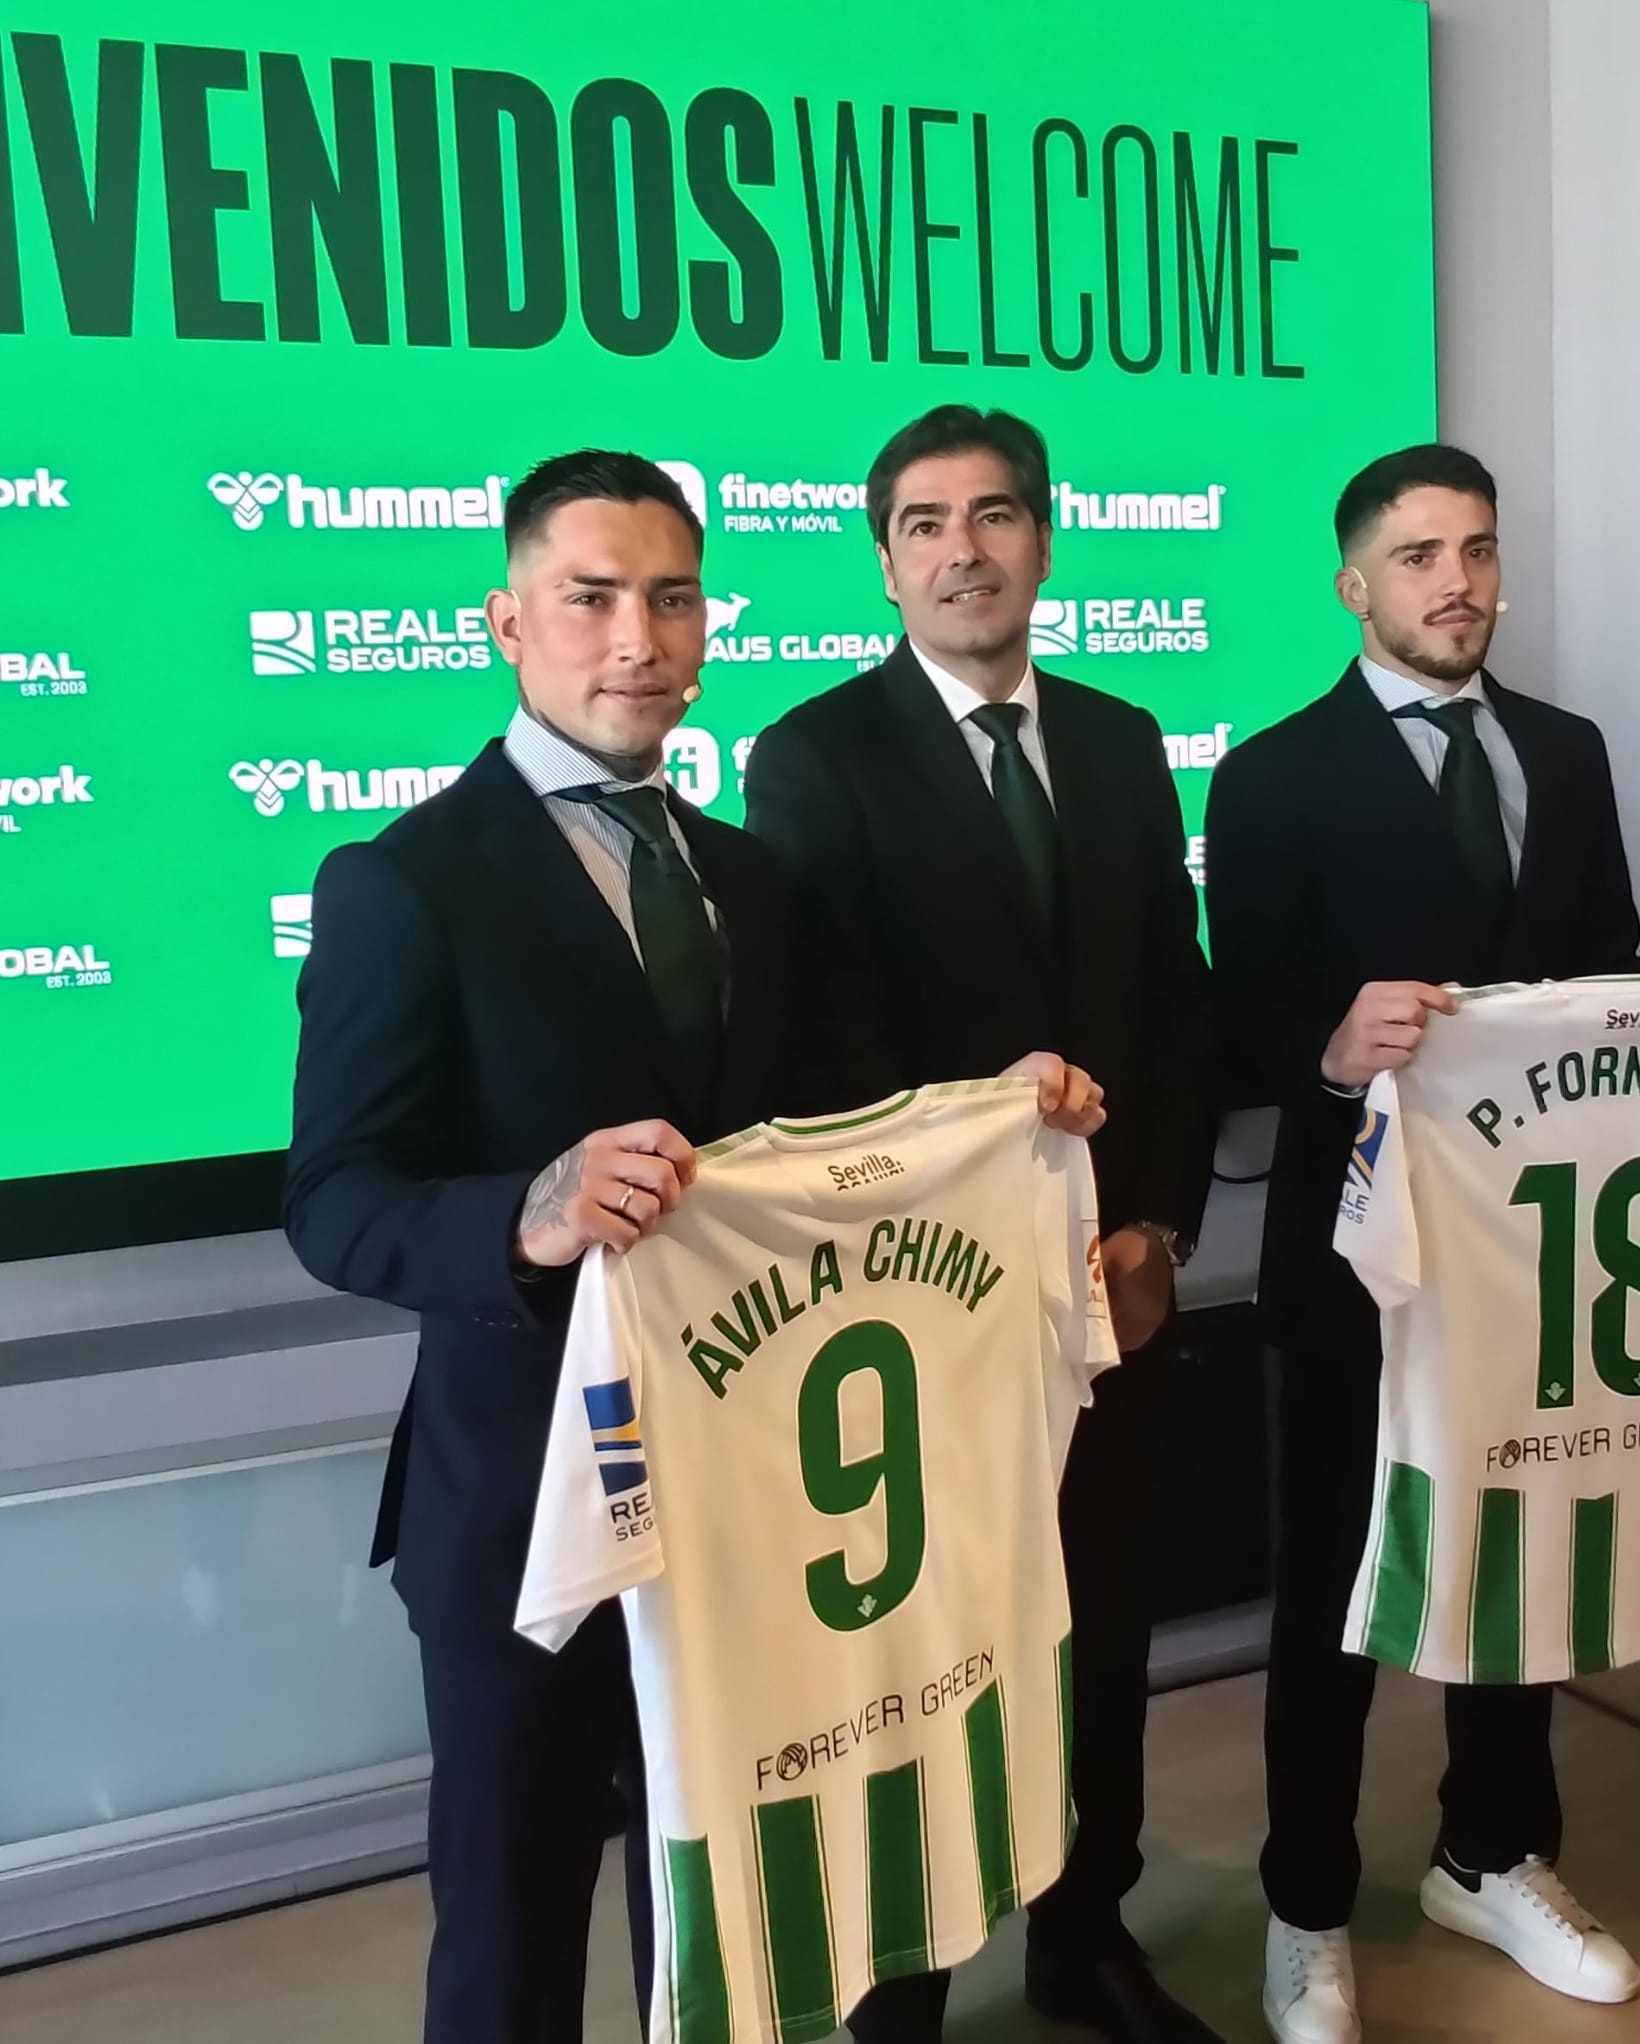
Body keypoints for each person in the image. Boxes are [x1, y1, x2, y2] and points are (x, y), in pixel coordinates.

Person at [282, 449, 1103, 2044]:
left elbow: (840, 1150)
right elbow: (335, 1198)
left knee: (727, 1901)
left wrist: (982, 1118)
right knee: (514, 1923)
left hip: (751, 1498)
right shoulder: (403, 885)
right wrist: (523, 1209)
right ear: (507, 625)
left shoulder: (750, 879)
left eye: (669, 598)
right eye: (590, 599)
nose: (635, 638)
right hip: (524, 1507)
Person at [1203, 444, 1640, 2044]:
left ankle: (1492, 1853)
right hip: (1364, 1261)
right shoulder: (1274, 772)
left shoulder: (1565, 753)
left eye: (1479, 550)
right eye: (1419, 555)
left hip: (1528, 1263)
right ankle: (1306, 1905)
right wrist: (1332, 1051)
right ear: (1355, 583)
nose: (1459, 582)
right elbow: (1232, 1027)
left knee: (1522, 1560)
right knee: (1336, 1595)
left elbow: (1606, 976)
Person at [744, 405, 1219, 2044]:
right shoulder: (811, 757)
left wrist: (1155, 1224)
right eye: (926, 522)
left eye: (995, 514)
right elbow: (823, 1053)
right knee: (931, 1660)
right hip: (929, 1310)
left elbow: (1176, 1005)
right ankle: (910, 1988)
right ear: (884, 559)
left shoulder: (1123, 737)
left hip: (1115, 1293)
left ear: (1044, 536)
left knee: (1107, 1625)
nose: (965, 549)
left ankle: (1088, 1935)